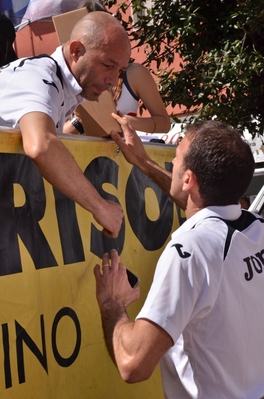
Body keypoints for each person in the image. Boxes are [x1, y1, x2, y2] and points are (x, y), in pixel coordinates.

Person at [94, 120, 264, 398]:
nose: (172, 164)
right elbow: (201, 206)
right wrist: (144, 163)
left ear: (188, 179)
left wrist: (111, 302)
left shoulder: (190, 251)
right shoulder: (256, 226)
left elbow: (133, 364)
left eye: (175, 159)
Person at [0, 11, 131, 238]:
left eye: (119, 70)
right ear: (76, 51)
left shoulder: (61, 86)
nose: (113, 80)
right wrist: (101, 207)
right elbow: (42, 146)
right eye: (108, 65)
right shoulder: (37, 76)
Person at [63, 2, 170, 136]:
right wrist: (78, 121)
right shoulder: (71, 77)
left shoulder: (134, 74)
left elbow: (164, 123)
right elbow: (58, 136)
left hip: (121, 153)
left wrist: (124, 121)